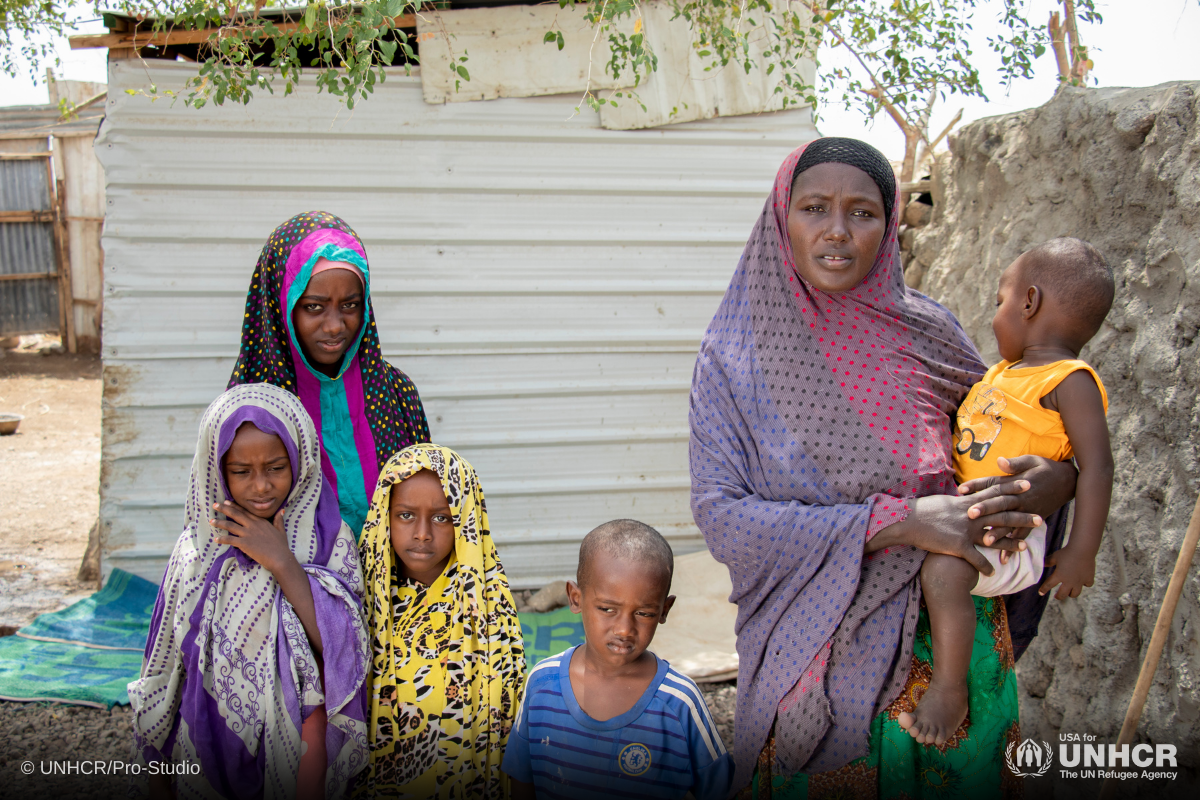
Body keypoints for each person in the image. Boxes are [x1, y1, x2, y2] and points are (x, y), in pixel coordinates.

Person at [688, 137, 1079, 797]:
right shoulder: (733, 358)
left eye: (862, 213)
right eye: (814, 207)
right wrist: (901, 521)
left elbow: (1011, 440)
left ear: (889, 223)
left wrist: (1053, 481)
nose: (837, 231)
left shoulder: (929, 333)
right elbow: (724, 519)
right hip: (811, 646)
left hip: (951, 648)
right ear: (782, 217)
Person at [899, 238, 1114, 746]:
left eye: (1000, 300)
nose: (995, 313)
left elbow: (1098, 466)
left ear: (1030, 302)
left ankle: (950, 689)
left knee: (943, 569)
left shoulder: (1071, 379)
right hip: (971, 518)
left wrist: (1082, 550)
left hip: (1010, 535)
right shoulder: (1001, 374)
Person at [130, 383, 369, 800]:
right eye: (241, 472)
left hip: (302, 746)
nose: (260, 486)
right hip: (207, 733)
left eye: (276, 467)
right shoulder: (197, 549)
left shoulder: (331, 541)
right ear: (216, 470)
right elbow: (164, 663)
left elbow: (344, 648)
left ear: (301, 458)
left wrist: (281, 561)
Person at [229, 211, 430, 538]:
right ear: (281, 306)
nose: (335, 325)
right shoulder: (249, 414)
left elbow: (428, 509)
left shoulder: (397, 396)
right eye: (314, 307)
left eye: (350, 305)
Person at [502, 519, 736, 800]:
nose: (625, 629)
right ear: (575, 599)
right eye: (607, 609)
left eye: (645, 613)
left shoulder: (679, 701)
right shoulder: (542, 684)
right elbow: (521, 779)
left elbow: (722, 790)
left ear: (665, 610)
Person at [355, 443, 526, 798]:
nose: (421, 533)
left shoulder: (490, 607)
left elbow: (510, 715)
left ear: (465, 519)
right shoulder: (365, 601)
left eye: (441, 517)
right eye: (405, 515)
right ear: (384, 515)